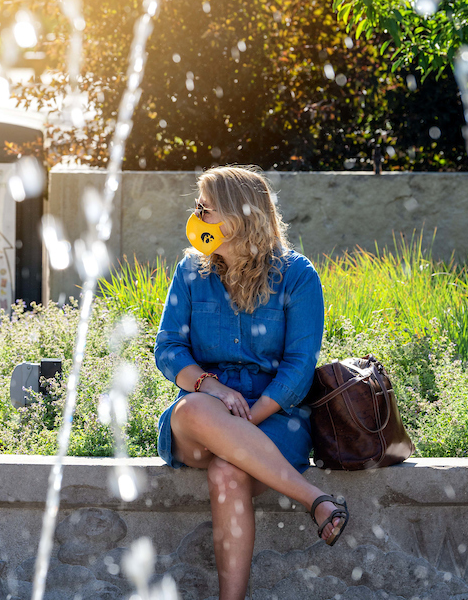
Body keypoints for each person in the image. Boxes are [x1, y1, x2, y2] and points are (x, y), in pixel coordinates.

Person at [155, 166, 348, 600]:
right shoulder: (190, 271)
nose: (196, 215)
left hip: (277, 415)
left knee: (227, 472)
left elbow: (300, 367)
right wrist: (215, 389)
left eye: (206, 208)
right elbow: (168, 349)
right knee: (193, 408)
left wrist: (252, 414)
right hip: (204, 415)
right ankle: (315, 499)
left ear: (238, 218)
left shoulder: (297, 276)